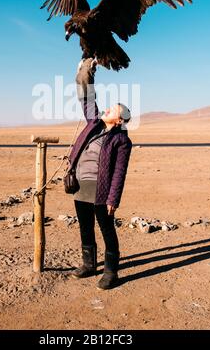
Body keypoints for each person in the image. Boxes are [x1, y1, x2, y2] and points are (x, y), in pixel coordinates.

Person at [68, 57, 132, 290]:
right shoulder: (94, 124)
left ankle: (111, 271)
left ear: (119, 120)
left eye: (111, 110)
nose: (106, 110)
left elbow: (119, 173)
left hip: (101, 190)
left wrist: (113, 199)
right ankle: (88, 264)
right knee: (85, 226)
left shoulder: (122, 141)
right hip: (81, 185)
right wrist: (88, 73)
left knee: (106, 228)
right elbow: (87, 99)